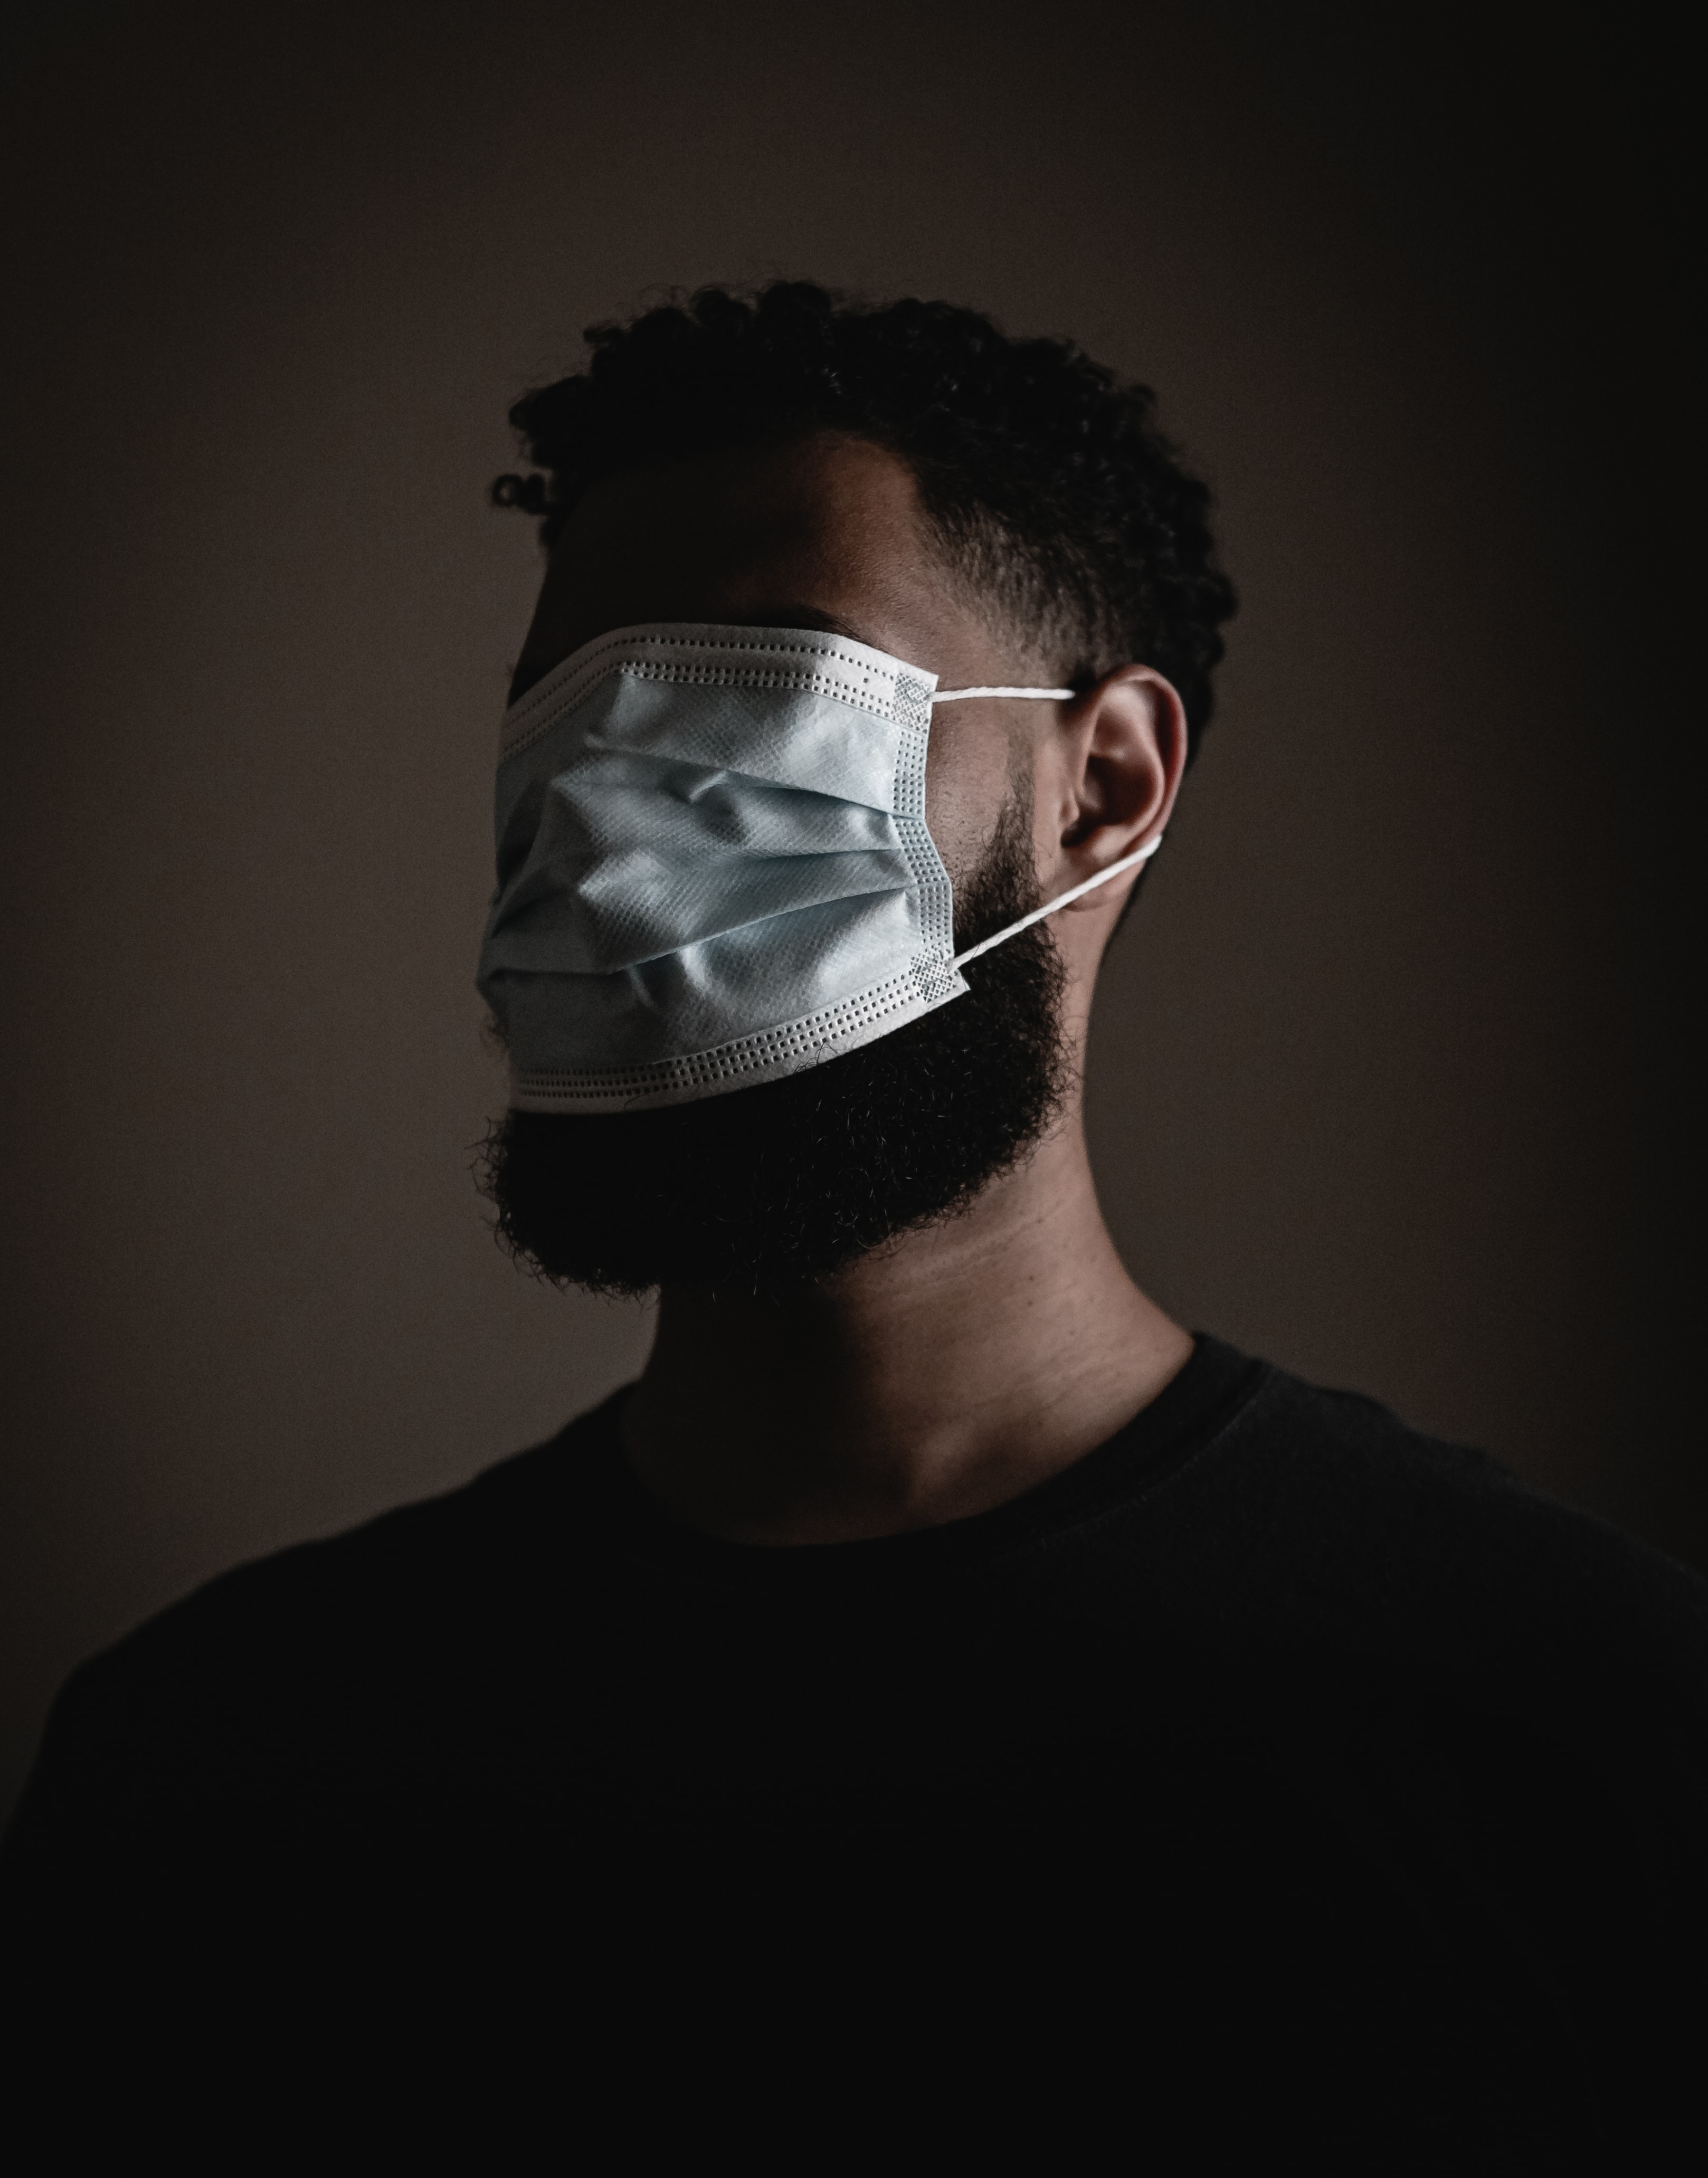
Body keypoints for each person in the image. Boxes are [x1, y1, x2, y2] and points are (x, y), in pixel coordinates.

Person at [3, 283, 1703, 2160]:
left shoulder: (1576, 1724)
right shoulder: (222, 1761)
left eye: (757, 691)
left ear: (1104, 788)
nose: (617, 837)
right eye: (566, 729)